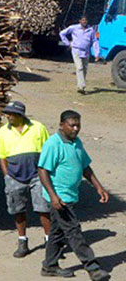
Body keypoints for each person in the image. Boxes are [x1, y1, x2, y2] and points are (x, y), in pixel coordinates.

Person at [38, 110, 110, 280]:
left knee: (57, 232)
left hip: (70, 195)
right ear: (62, 125)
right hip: (59, 197)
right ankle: (93, 267)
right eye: (72, 125)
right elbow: (42, 171)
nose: (76, 128)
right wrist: (53, 196)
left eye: (78, 125)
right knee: (73, 231)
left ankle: (49, 266)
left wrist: (99, 187)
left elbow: (85, 166)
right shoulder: (53, 144)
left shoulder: (76, 142)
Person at [0, 100, 51, 258]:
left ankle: (50, 242)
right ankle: (22, 242)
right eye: (7, 113)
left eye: (11, 113)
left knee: (44, 209)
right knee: (18, 210)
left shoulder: (38, 128)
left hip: (37, 176)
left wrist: (46, 173)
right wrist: (7, 175)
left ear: (20, 115)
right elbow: (1, 156)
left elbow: (47, 151)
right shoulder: (3, 132)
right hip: (15, 177)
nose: (8, 116)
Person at [59, 16, 100, 94]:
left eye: (86, 20)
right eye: (83, 20)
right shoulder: (74, 28)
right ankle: (81, 86)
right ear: (79, 21)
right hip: (76, 50)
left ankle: (81, 85)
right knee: (79, 67)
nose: (84, 22)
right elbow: (62, 33)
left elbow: (95, 41)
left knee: (84, 69)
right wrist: (68, 43)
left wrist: (96, 53)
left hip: (86, 52)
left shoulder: (91, 30)